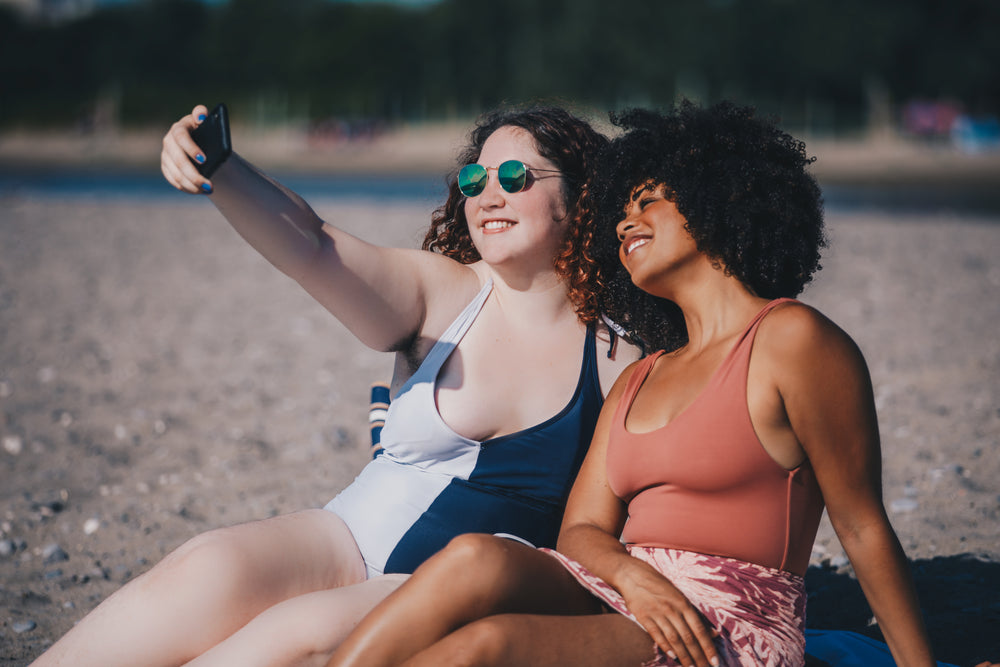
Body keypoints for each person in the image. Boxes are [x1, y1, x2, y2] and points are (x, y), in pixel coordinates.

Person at [323, 101, 942, 667]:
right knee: (471, 557)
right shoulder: (639, 376)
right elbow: (582, 531)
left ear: (715, 202)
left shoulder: (791, 340)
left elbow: (861, 525)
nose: (625, 224)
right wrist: (632, 577)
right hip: (622, 588)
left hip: (724, 622)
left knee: (491, 645)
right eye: (620, 211)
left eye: (648, 202)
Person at [29, 104, 640, 667]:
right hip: (342, 537)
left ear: (581, 194)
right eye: (474, 182)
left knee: (302, 635)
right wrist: (220, 164)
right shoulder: (444, 295)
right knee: (206, 566)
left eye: (514, 176)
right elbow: (314, 246)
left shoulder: (621, 355)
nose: (488, 195)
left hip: (450, 591)